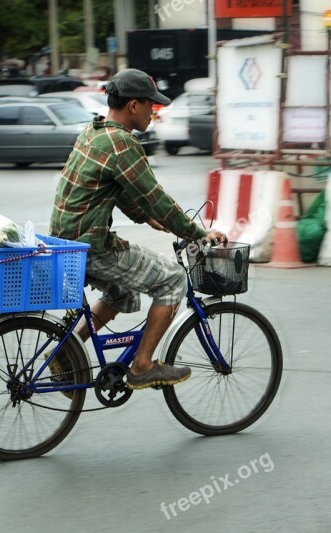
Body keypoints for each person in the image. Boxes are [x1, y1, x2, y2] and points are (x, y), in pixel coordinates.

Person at [50, 68, 226, 390]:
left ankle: (69, 350)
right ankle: (142, 365)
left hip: (68, 241)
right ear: (133, 106)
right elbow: (154, 197)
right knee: (172, 278)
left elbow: (119, 190)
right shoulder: (122, 143)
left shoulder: (95, 131)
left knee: (123, 290)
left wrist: (147, 218)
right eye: (150, 105)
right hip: (91, 247)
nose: (153, 112)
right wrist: (197, 235)